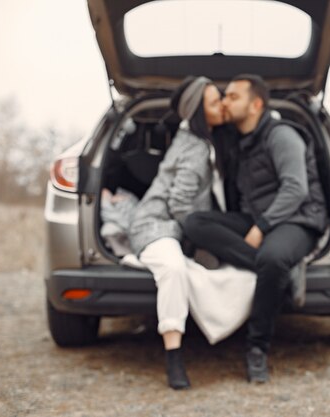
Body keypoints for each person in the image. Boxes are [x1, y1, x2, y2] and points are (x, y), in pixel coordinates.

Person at [182, 74, 328, 383]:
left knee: (273, 257)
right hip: (259, 217)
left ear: (256, 104)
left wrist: (261, 227)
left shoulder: (282, 135)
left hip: (298, 218)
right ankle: (284, 275)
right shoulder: (239, 141)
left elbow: (296, 189)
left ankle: (257, 348)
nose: (225, 102)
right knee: (195, 222)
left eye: (233, 97)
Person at [128, 76, 224, 390]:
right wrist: (206, 239)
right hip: (155, 224)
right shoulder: (195, 148)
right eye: (214, 102)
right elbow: (180, 204)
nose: (222, 104)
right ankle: (174, 355)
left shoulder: (203, 140)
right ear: (198, 112)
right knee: (173, 269)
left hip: (176, 227)